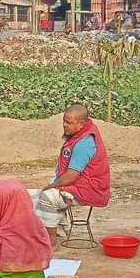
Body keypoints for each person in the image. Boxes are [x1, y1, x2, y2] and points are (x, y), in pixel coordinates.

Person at [35, 104, 111, 243]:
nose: (64, 125)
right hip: (82, 183)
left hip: (90, 189)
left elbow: (71, 176)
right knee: (41, 193)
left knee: (47, 196)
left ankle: (51, 242)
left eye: (69, 123)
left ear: (81, 124)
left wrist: (51, 187)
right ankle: (59, 228)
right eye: (64, 121)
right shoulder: (80, 135)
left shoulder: (84, 143)